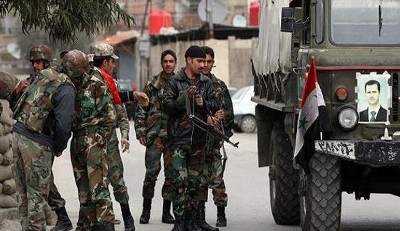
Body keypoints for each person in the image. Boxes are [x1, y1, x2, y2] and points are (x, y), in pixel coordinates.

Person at [11, 49, 82, 231]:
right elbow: (63, 123)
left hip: (18, 135)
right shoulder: (66, 87)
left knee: (24, 193)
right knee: (37, 195)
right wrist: (59, 146)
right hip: (36, 141)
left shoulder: (44, 75)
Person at [163, 45, 219, 231]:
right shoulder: (174, 81)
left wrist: (204, 104)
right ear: (189, 60)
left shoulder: (206, 83)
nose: (203, 65)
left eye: (205, 61)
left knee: (195, 185)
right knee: (180, 183)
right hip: (179, 140)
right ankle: (179, 223)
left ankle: (193, 222)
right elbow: (168, 107)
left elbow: (214, 107)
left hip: (198, 141)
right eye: (199, 61)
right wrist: (183, 98)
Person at [69, 48, 117, 231]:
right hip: (77, 140)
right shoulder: (74, 84)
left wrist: (99, 139)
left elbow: (110, 116)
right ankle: (88, 225)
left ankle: (106, 225)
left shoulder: (97, 83)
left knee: (99, 187)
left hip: (93, 141)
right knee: (83, 190)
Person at [92, 43, 135, 231]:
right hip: (93, 143)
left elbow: (121, 112)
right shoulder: (90, 82)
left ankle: (127, 217)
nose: (114, 65)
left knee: (117, 180)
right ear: (105, 62)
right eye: (112, 62)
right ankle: (102, 221)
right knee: (96, 183)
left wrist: (125, 135)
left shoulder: (112, 83)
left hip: (110, 142)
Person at [134, 49, 177, 225]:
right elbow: (141, 108)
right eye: (165, 61)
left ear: (175, 63)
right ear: (161, 63)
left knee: (171, 175)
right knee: (151, 173)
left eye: (171, 61)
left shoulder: (179, 83)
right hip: (154, 136)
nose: (168, 64)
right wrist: (140, 131)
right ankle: (146, 211)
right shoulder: (152, 84)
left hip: (173, 137)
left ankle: (167, 212)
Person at [200, 46, 234, 228]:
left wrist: (224, 132)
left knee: (217, 178)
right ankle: (200, 216)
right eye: (203, 61)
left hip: (214, 140)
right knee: (197, 180)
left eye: (209, 61)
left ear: (213, 63)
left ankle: (221, 213)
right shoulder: (191, 84)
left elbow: (228, 111)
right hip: (195, 140)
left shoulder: (219, 85)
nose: (206, 65)